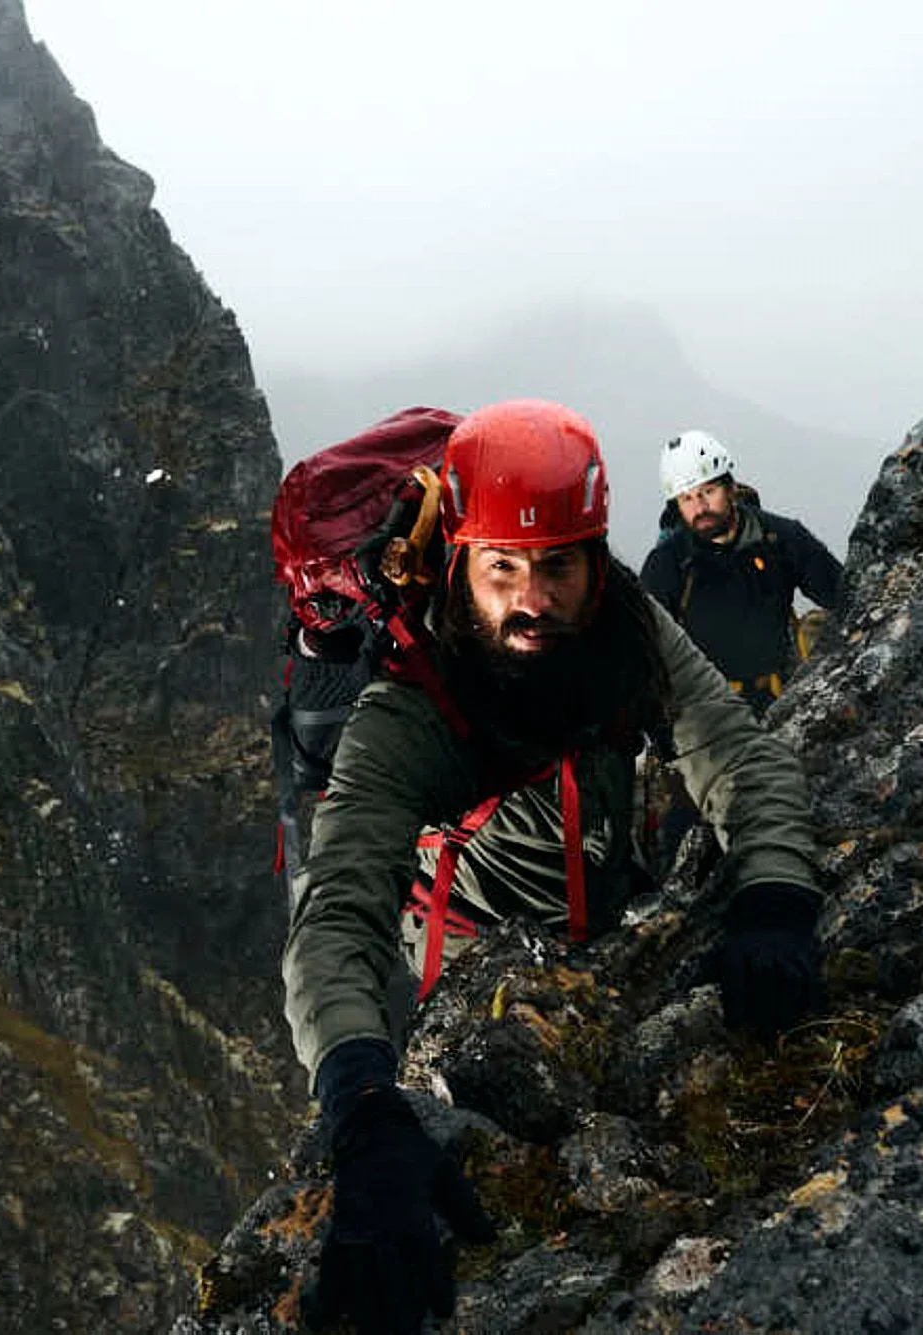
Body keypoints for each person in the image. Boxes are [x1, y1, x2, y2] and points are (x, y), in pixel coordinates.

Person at [282, 399, 827, 1334]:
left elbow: (735, 754)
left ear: (594, 558)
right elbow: (338, 907)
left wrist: (775, 894)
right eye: (502, 570)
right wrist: (363, 1105)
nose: (532, 600)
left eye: (557, 567)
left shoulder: (627, 624)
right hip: (464, 970)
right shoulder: (410, 702)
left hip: (602, 918)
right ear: (460, 562)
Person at [639, 429, 845, 716]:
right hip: (707, 713)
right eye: (687, 499)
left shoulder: (780, 538)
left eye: (708, 492)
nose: (699, 507)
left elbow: (844, 595)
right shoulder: (668, 564)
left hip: (782, 697)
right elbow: (643, 648)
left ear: (731, 487)